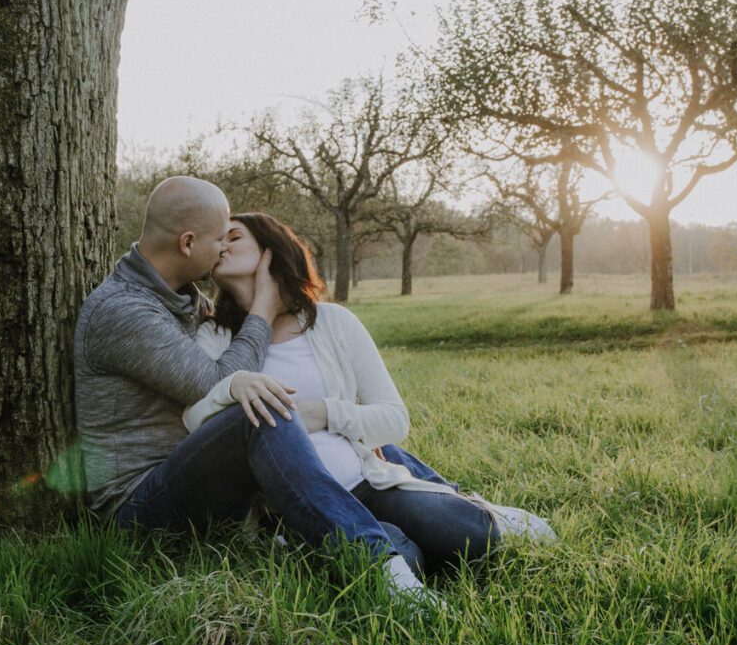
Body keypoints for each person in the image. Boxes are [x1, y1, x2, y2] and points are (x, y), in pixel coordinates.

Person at [74, 176, 460, 601]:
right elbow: (216, 385)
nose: (224, 248)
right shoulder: (123, 312)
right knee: (260, 412)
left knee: (331, 438)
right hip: (139, 505)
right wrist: (262, 308)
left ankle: (432, 509)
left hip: (209, 480)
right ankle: (385, 570)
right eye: (221, 239)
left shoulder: (184, 299)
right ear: (188, 243)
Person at [183, 212, 556, 587]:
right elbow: (193, 417)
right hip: (296, 506)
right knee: (406, 561)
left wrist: (325, 412)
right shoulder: (214, 336)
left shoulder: (331, 322)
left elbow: (395, 419)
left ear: (270, 251)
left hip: (366, 481)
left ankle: (477, 512)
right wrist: (235, 387)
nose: (221, 246)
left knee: (475, 539)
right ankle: (384, 540)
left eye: (233, 237)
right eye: (218, 240)